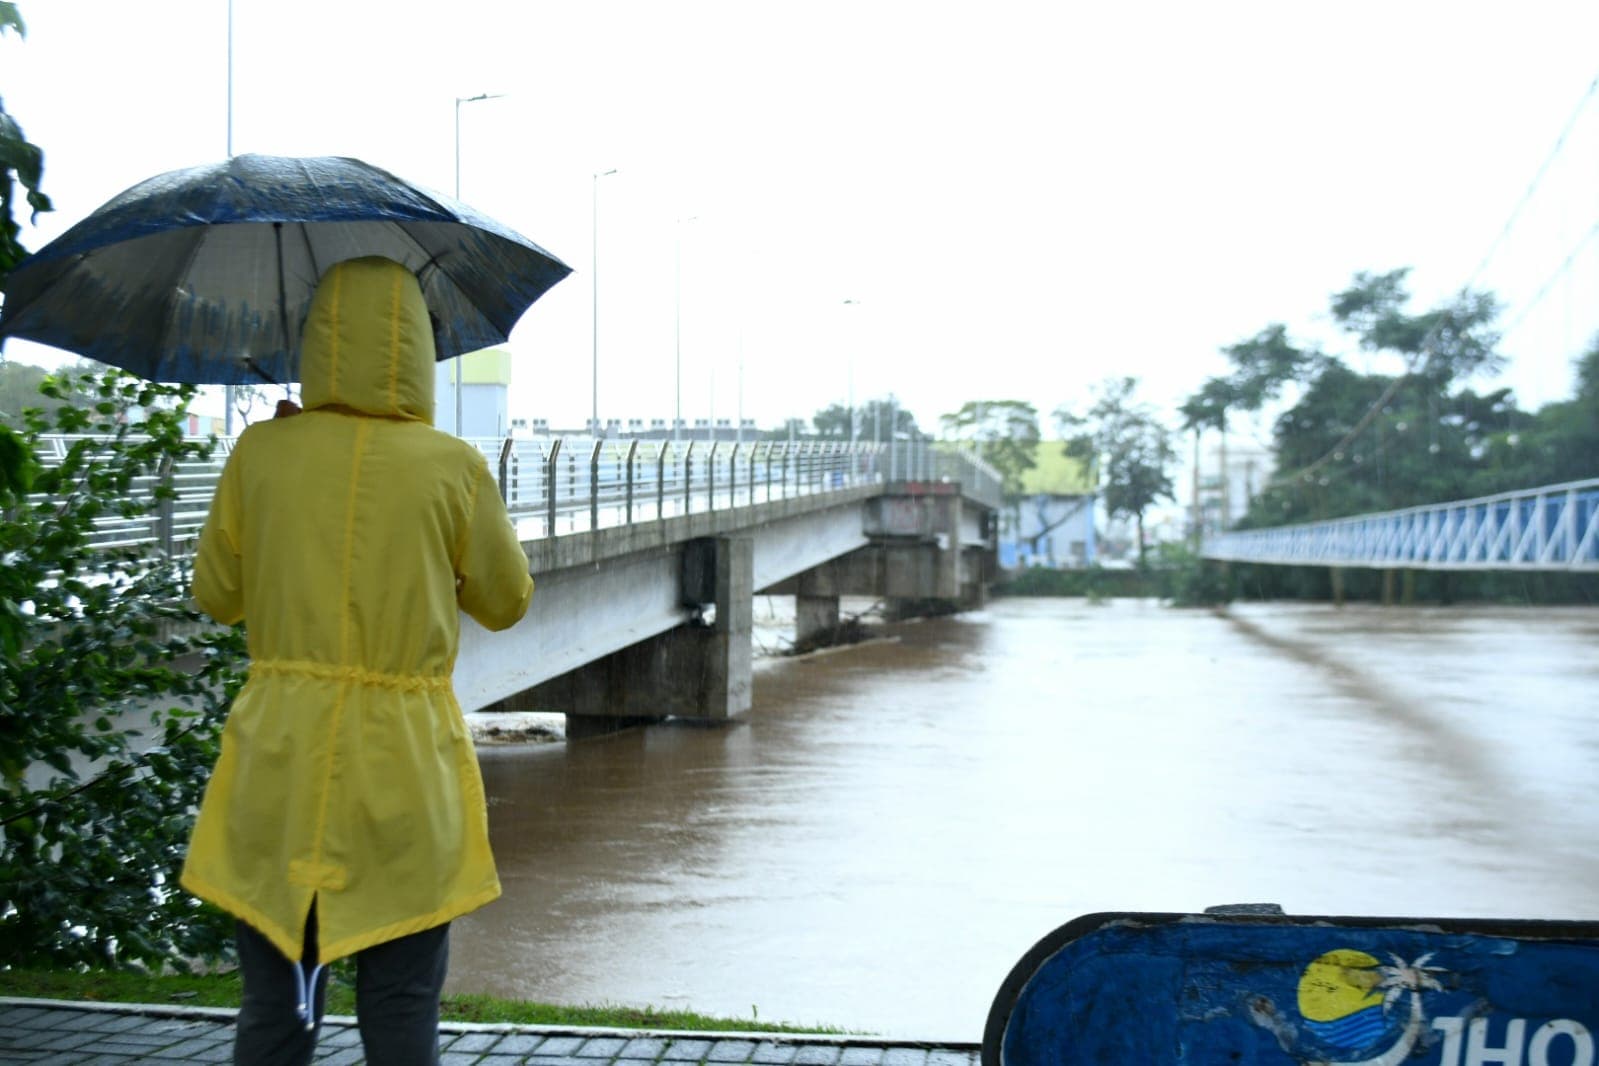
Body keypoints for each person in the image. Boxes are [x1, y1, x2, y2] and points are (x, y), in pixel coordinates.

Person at [181, 255, 534, 1065]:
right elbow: (506, 602)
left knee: (276, 1010)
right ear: (414, 346)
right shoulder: (452, 467)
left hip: (279, 764)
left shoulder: (260, 454)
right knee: (402, 1006)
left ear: (317, 342)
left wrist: (276, 459)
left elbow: (216, 594)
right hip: (403, 768)